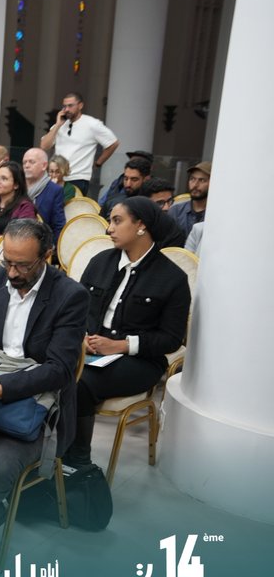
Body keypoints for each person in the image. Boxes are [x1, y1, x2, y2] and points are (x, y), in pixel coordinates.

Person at [0, 219, 89, 555]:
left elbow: (59, 369)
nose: (12, 273)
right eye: (7, 262)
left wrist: (3, 388)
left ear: (47, 255)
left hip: (33, 407)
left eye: (23, 265)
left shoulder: (70, 296)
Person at [68, 198, 191, 468]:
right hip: (90, 350)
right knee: (45, 366)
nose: (109, 228)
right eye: (110, 220)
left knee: (79, 382)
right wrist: (80, 338)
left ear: (141, 226)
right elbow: (73, 310)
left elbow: (171, 339)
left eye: (117, 220)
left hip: (139, 361)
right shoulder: (100, 261)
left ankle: (76, 463)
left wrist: (122, 345)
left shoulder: (172, 279)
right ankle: (40, 453)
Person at [39, 91, 119, 194]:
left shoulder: (92, 124)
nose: (67, 109)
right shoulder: (61, 124)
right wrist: (58, 125)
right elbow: (44, 145)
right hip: (56, 177)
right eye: (65, 106)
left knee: (72, 209)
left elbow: (113, 143)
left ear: (80, 105)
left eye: (70, 106)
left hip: (78, 178)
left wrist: (98, 163)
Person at [0, 161, 38, 242]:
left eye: (4, 179)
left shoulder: (25, 207)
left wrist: (0, 239)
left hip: (12, 250)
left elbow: (25, 233)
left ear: (16, 185)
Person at [21, 147, 66, 242]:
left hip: (41, 242)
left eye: (31, 162)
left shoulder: (55, 190)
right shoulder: (17, 187)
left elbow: (58, 225)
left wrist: (51, 248)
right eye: (24, 162)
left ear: (44, 166)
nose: (26, 165)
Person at [100, 156, 151, 221]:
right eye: (126, 178)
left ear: (146, 179)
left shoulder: (152, 205)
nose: (128, 184)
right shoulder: (111, 202)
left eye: (134, 179)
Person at [169, 161, 210, 235]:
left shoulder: (216, 213)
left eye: (202, 180)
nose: (195, 185)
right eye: (192, 179)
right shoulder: (176, 211)